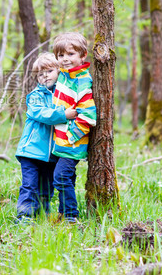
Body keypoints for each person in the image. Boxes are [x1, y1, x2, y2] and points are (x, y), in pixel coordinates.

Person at [14, 53, 77, 222]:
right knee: (29, 185)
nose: (45, 76)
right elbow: (43, 114)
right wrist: (64, 114)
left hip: (52, 153)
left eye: (49, 71)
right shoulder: (35, 96)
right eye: (40, 74)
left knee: (46, 187)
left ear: (58, 71)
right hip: (31, 151)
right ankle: (24, 216)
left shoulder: (63, 95)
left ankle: (42, 214)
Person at [51, 32, 97, 223]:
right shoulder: (64, 76)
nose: (65, 59)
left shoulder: (81, 81)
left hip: (72, 143)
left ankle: (71, 216)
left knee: (60, 177)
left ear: (83, 55)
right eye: (61, 56)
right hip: (60, 142)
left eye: (70, 54)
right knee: (66, 179)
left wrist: (71, 136)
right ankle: (63, 212)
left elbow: (88, 115)